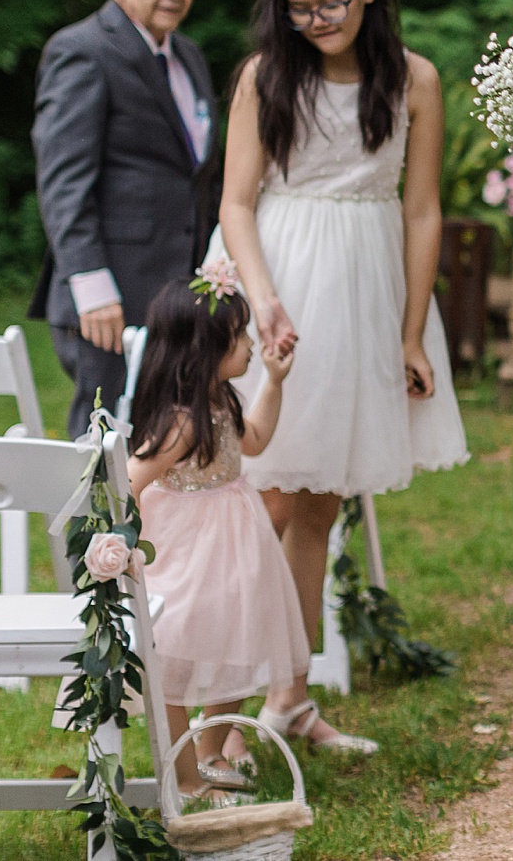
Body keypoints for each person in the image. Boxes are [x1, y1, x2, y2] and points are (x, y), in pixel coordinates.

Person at [210, 0, 467, 745]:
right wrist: (262, 298)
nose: (319, 21)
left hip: (366, 281)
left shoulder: (415, 79)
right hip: (279, 274)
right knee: (264, 499)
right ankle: (212, 714)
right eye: (301, 9)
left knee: (320, 501)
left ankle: (289, 700)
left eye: (333, 4)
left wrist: (410, 331)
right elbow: (237, 204)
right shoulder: (263, 77)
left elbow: (421, 210)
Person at [127, 270, 361, 802]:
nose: (252, 344)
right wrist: (129, 545)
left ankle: (210, 755)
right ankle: (184, 775)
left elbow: (254, 442)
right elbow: (131, 480)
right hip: (187, 553)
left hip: (235, 551)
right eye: (240, 337)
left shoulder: (222, 403)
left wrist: (274, 383)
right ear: (202, 351)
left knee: (235, 652)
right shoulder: (181, 423)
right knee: (175, 660)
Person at [32, 0, 219, 437]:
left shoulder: (188, 56)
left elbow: (198, 175)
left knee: (170, 446)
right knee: (102, 454)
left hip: (182, 292)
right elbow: (64, 180)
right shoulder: (83, 51)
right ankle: (86, 528)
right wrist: (91, 286)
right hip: (111, 297)